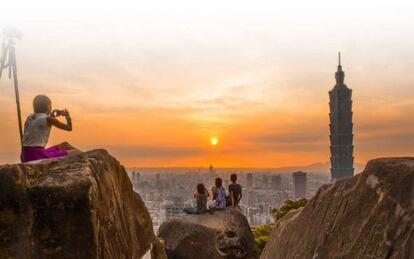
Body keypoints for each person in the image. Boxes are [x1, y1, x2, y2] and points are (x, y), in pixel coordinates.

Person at [21, 95, 80, 162]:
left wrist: (52, 115)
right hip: (36, 155)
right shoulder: (49, 119)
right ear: (48, 106)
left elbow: (43, 121)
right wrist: (67, 116)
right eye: (50, 105)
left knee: (65, 145)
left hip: (25, 155)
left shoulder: (30, 117)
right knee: (75, 152)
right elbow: (69, 128)